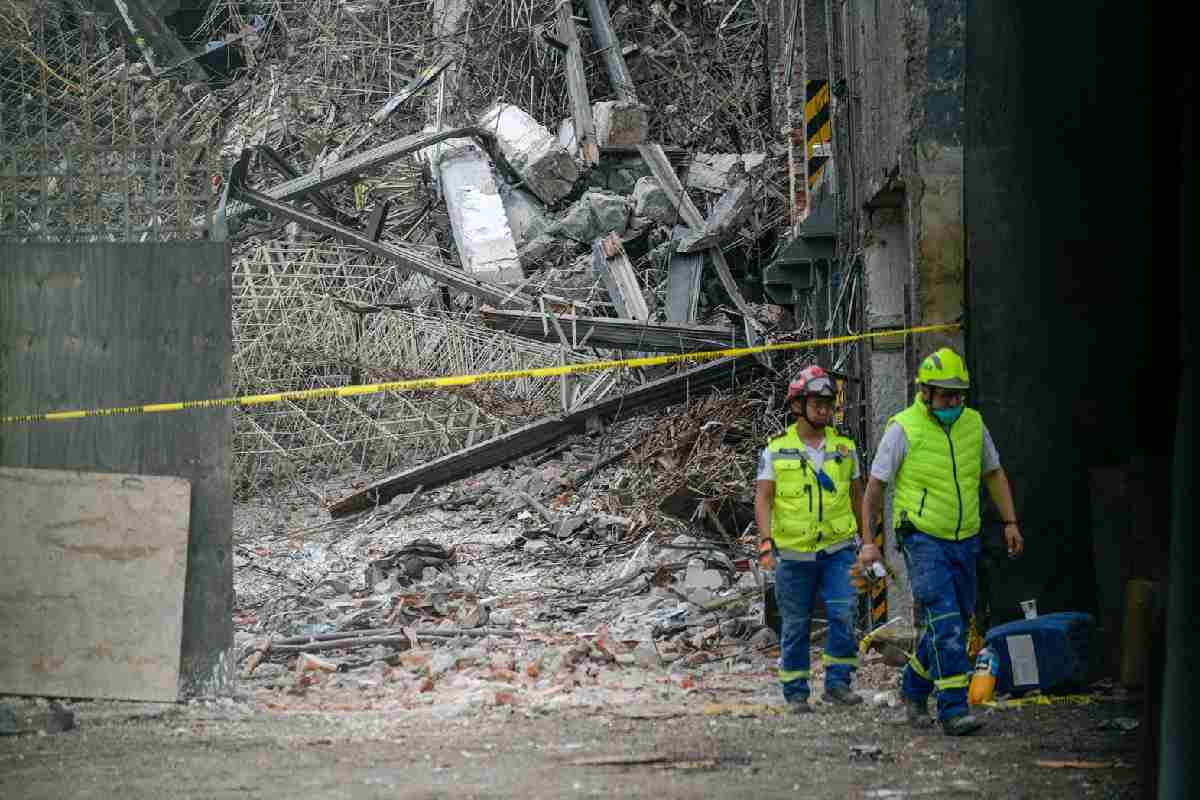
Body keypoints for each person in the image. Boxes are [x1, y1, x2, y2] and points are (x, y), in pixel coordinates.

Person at [859, 347, 1024, 736]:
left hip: (964, 539)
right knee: (947, 623)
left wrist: (1010, 522)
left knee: (947, 625)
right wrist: (869, 542)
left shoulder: (973, 424)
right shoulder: (903, 428)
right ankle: (953, 709)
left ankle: (913, 689)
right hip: (922, 538)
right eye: (946, 395)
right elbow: (874, 489)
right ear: (926, 392)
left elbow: (994, 473)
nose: (953, 402)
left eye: (958, 395)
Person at [756, 365, 865, 713]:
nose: (824, 409)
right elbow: (763, 498)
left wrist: (869, 541)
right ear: (797, 405)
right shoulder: (776, 450)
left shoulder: (845, 449)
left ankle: (838, 683)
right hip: (794, 554)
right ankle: (796, 691)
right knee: (796, 624)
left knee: (844, 613)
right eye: (816, 402)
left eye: (828, 403)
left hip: (840, 550)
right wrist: (765, 542)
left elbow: (858, 496)